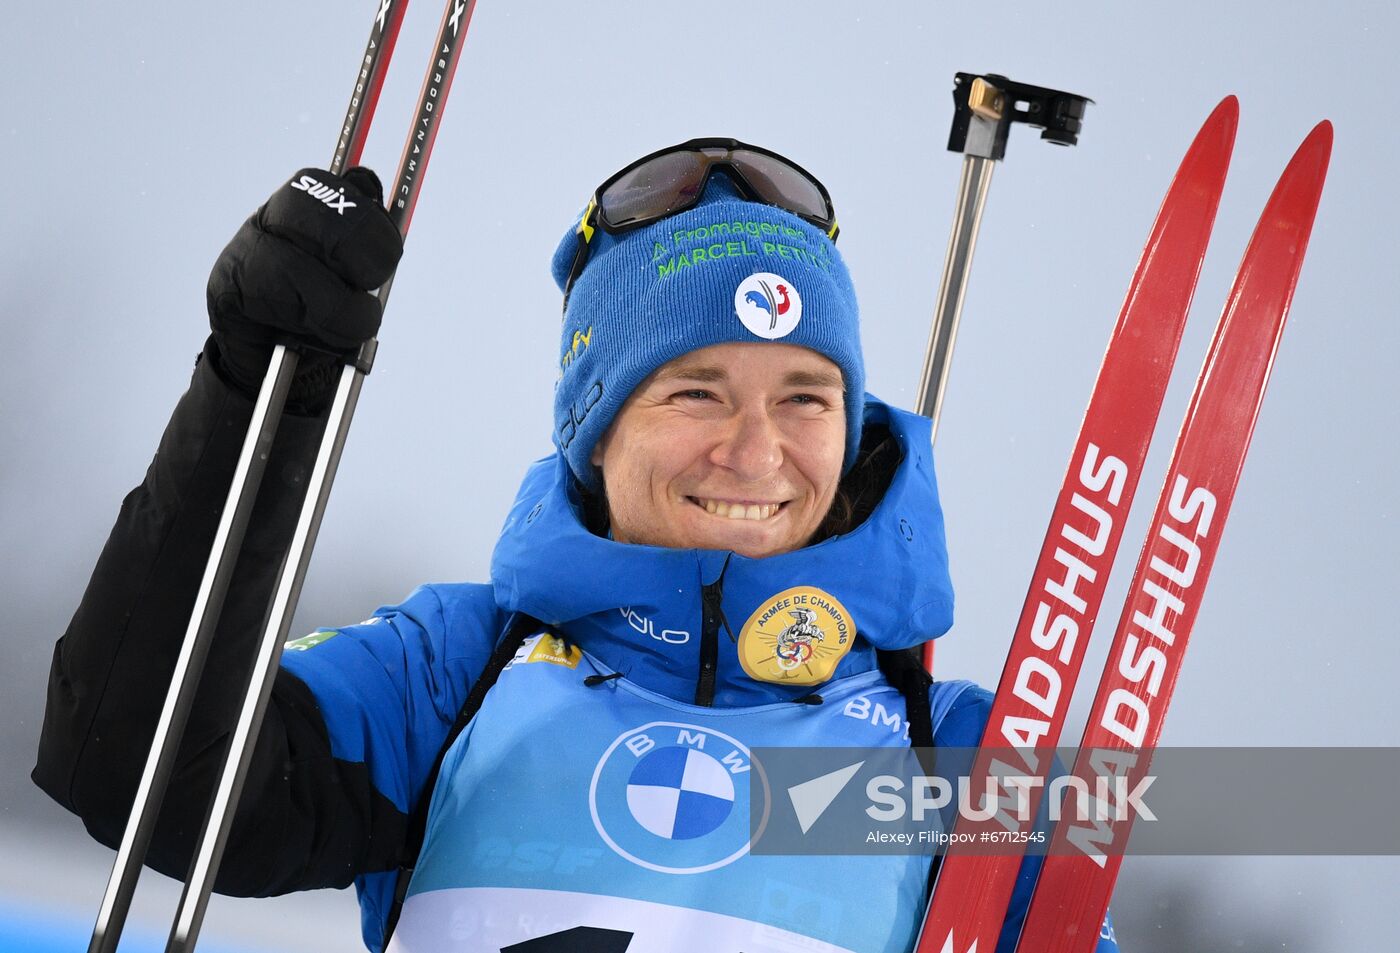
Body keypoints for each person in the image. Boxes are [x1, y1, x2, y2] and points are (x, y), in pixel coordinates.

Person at [33, 140, 1120, 953]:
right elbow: (140, 773)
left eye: (805, 396)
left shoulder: (960, 752)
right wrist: (255, 399)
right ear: (594, 430)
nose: (756, 451)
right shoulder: (455, 668)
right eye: (696, 389)